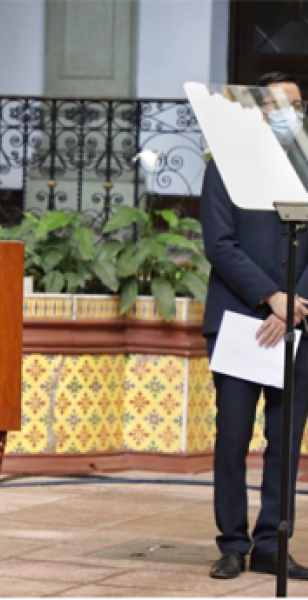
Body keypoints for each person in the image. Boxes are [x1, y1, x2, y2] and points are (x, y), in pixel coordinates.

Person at [203, 71, 308, 580]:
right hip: (240, 319)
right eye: (276, 107)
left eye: (296, 106)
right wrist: (272, 297)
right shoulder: (226, 165)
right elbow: (219, 243)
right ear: (258, 113)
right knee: (233, 437)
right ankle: (232, 544)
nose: (287, 115)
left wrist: (297, 300)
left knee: (285, 441)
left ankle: (272, 544)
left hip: (300, 320)